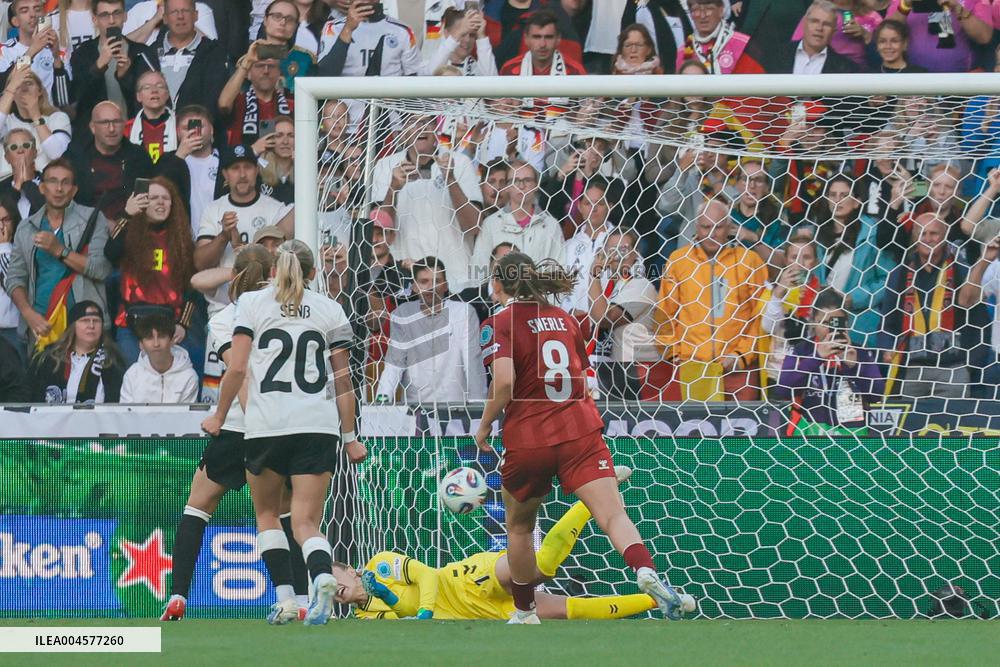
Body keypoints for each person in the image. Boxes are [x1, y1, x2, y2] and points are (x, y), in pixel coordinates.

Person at [473, 251, 691, 625]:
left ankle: (525, 611)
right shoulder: (566, 320)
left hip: (529, 437)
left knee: (520, 526)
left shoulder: (499, 322)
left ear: (498, 284)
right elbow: (581, 378)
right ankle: (643, 570)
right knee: (612, 513)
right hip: (580, 430)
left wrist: (484, 425)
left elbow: (505, 381)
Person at [201, 239, 366, 626]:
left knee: (268, 515)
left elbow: (237, 370)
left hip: (267, 426)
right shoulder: (330, 309)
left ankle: (286, 600)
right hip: (317, 425)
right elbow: (343, 382)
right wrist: (350, 437)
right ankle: (323, 577)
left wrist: (219, 415)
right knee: (306, 521)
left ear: (273, 271)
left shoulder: (252, 305)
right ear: (312, 273)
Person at [162, 244, 308, 622]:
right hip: (282, 426)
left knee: (198, 506)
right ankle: (298, 596)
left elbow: (236, 369)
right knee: (283, 514)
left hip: (240, 426)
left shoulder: (227, 316)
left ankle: (178, 595)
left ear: (235, 276)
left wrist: (252, 414)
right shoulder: (290, 313)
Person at [337, 489, 677, 621]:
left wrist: (424, 610)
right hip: (481, 614)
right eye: (332, 593)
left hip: (467, 581)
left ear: (351, 570)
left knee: (539, 569)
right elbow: (405, 619)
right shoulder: (365, 619)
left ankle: (590, 503)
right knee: (571, 610)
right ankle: (662, 600)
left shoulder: (378, 565)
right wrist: (390, 600)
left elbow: (426, 575)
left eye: (334, 581)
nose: (336, 592)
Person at [654, 197, 768, 401]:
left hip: (739, 371)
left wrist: (741, 356)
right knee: (696, 431)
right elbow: (665, 313)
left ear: (729, 227)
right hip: (694, 369)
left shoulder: (749, 261)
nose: (712, 234)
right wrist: (673, 354)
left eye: (718, 227)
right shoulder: (679, 261)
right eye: (706, 227)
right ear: (697, 226)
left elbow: (760, 317)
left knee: (744, 431)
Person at [5, 159, 112, 352]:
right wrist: (28, 314)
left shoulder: (92, 219)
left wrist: (59, 250)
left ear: (74, 190)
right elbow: (14, 278)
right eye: (53, 181)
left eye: (65, 182)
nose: (59, 188)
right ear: (42, 188)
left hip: (84, 328)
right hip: (41, 326)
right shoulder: (26, 226)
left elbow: (101, 269)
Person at [371, 116, 482, 291]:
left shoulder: (459, 162)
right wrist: (393, 188)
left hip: (455, 280)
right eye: (412, 122)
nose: (420, 128)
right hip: (405, 279)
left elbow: (473, 227)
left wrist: (451, 179)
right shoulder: (386, 165)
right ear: (403, 130)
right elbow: (378, 233)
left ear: (436, 128)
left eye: (426, 122)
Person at [880, 213, 979, 399]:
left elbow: (978, 320)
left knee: (952, 425)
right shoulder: (900, 273)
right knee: (910, 426)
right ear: (915, 237)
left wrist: (970, 365)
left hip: (953, 369)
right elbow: (887, 319)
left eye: (934, 233)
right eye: (922, 233)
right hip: (911, 368)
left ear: (945, 236)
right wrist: (887, 347)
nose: (928, 239)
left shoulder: (961, 270)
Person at [105, 176, 196, 364]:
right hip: (131, 325)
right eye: (153, 198)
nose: (161, 202)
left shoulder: (181, 241)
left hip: (170, 326)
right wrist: (127, 214)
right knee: (131, 384)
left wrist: (183, 324)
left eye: (166, 198)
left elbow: (192, 286)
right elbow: (110, 253)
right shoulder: (130, 234)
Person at [193, 143, 293, 314]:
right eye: (235, 168)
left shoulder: (276, 209)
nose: (242, 174)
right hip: (223, 308)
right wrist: (224, 236)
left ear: (256, 170)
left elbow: (282, 258)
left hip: (265, 306)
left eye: (247, 167)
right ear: (225, 174)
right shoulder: (213, 209)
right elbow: (200, 263)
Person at [374, 256, 487, 404]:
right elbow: (394, 364)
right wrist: (382, 401)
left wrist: (478, 409)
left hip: (456, 410)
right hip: (415, 409)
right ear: (414, 286)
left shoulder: (464, 312)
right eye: (424, 282)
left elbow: (472, 362)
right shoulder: (402, 314)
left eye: (437, 281)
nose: (431, 287)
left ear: (446, 285)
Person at [773, 289, 885, 435]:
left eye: (834, 323)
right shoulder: (801, 350)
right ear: (813, 322)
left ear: (846, 322)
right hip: (809, 432)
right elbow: (783, 390)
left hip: (852, 434)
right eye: (823, 323)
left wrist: (854, 367)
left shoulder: (859, 352)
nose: (828, 329)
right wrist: (817, 357)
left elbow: (877, 395)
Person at [587, 229, 661, 400]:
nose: (617, 256)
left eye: (623, 249)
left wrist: (594, 276)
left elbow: (605, 319)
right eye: (612, 250)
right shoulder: (609, 286)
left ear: (635, 253)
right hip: (612, 371)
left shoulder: (640, 284)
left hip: (637, 375)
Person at [69, 0, 156, 134]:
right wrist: (98, 66)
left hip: (133, 134)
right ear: (94, 19)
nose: (111, 20)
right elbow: (78, 98)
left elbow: (150, 101)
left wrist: (124, 76)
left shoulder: (141, 52)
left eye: (116, 13)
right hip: (93, 139)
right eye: (104, 15)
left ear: (125, 16)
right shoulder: (82, 53)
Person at [472, 160, 563, 283]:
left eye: (527, 180)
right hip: (500, 300)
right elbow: (478, 270)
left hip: (539, 299)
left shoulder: (551, 225)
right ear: (507, 187)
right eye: (515, 180)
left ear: (536, 185)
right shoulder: (491, 224)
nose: (521, 186)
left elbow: (558, 272)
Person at [65, 101, 155, 220]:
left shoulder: (138, 157)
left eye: (116, 122)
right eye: (105, 123)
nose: (112, 129)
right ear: (93, 127)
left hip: (131, 226)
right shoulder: (76, 157)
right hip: (86, 228)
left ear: (124, 124)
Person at [28, 300, 124, 403]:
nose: (91, 326)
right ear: (73, 326)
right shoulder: (49, 358)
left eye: (96, 321)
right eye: (85, 320)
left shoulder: (112, 361)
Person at [760, 237, 825, 386]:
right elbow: (768, 327)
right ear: (785, 260)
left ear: (815, 262)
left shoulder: (822, 294)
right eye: (794, 257)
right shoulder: (771, 289)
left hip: (811, 373)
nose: (800, 263)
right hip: (777, 373)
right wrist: (778, 294)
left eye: (806, 257)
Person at [149, 0, 229, 117]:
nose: (180, 16)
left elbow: (214, 105)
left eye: (185, 11)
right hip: (157, 131)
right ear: (165, 18)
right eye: (174, 12)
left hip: (197, 130)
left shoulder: (214, 54)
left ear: (195, 15)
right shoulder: (149, 55)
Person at [219, 38, 294, 148]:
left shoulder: (292, 106)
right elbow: (224, 104)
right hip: (243, 162)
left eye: (271, 66)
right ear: (248, 74)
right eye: (259, 66)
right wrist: (247, 61)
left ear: (279, 73)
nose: (266, 71)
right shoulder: (239, 102)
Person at [317, 0, 421, 77]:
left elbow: (414, 78)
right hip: (346, 104)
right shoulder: (332, 28)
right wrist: (347, 29)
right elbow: (324, 75)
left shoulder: (402, 31)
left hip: (387, 103)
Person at [885, 0, 992, 74]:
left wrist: (957, 7)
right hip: (915, 82)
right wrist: (905, 5)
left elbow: (984, 37)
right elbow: (885, 35)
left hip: (961, 83)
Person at [0, 66, 72, 173]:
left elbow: (57, 154)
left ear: (39, 91)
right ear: (12, 96)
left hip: (44, 182)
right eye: (18, 86)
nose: (24, 89)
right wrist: (10, 90)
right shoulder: (6, 122)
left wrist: (35, 115)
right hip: (7, 183)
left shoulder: (58, 118)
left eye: (29, 83)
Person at [0, 0, 72, 108]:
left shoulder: (59, 50)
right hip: (15, 120)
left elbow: (64, 101)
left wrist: (56, 58)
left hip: (51, 118)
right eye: (24, 11)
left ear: (44, 15)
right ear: (15, 21)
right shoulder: (3, 51)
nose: (33, 15)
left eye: (37, 9)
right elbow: (3, 86)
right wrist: (32, 51)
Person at [119, 311, 199, 403]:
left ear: (172, 340)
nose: (156, 344)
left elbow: (188, 416)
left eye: (161, 337)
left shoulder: (188, 376)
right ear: (141, 345)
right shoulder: (131, 375)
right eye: (149, 338)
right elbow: (127, 415)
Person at [764, 1, 858, 74]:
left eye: (826, 24)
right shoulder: (775, 55)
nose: (819, 28)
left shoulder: (845, 68)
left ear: (833, 31)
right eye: (814, 21)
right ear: (804, 23)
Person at [175, 104, 222, 238]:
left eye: (200, 126)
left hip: (219, 238)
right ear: (178, 132)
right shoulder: (170, 161)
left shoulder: (225, 161)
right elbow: (163, 186)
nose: (195, 132)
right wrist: (179, 156)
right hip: (184, 239)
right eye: (187, 128)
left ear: (212, 130)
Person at [499, 10, 586, 77]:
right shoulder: (509, 69)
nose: (542, 44)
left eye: (548, 37)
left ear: (558, 39)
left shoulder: (575, 71)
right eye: (536, 37)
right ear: (526, 39)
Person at [676, 0, 751, 74]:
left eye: (709, 9)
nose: (703, 15)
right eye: (696, 10)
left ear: (721, 10)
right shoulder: (682, 53)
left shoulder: (744, 46)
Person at [422, 6, 497, 76]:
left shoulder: (477, 67)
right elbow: (431, 75)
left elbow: (494, 84)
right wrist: (457, 34)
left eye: (472, 35)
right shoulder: (428, 63)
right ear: (446, 32)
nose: (467, 40)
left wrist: (481, 35)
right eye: (462, 34)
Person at [124, 0, 216, 45]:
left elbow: (213, 50)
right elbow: (124, 49)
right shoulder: (139, 9)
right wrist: (154, 20)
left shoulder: (200, 9)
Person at [0, 128, 45, 217]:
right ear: (7, 158)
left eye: (26, 145)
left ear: (35, 153)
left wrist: (28, 184)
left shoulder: (49, 183)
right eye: (13, 147)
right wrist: (16, 188)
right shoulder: (1, 188)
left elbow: (50, 216)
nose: (20, 150)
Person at [258, 116, 294, 204]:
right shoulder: (258, 170)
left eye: (291, 136)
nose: (285, 141)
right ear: (270, 140)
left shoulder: (306, 172)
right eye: (279, 136)